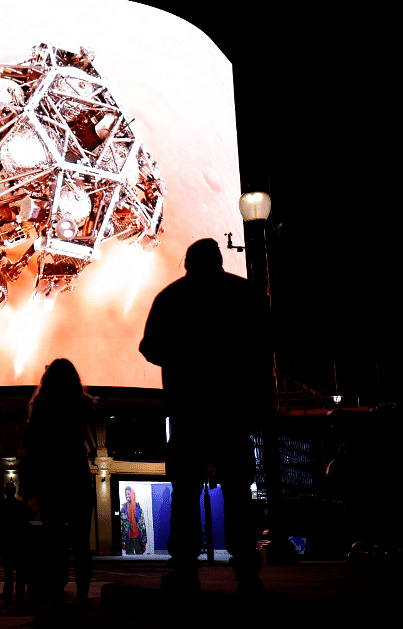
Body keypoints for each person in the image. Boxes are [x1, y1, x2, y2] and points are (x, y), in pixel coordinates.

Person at [139, 238, 270, 594]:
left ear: (187, 263)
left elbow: (149, 347)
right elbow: (264, 345)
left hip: (188, 409)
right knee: (239, 495)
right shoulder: (244, 293)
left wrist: (183, 360)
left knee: (184, 493)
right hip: (232, 409)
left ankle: (185, 571)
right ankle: (247, 571)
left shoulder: (171, 297)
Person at [19, 358, 96, 603]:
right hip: (77, 475)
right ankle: (83, 595)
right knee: (82, 544)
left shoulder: (43, 405)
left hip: (51, 478)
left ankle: (56, 590)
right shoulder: (84, 405)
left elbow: (28, 442)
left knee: (55, 540)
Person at [0, 482, 29, 600]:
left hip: (7, 540)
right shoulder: (20, 505)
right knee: (19, 568)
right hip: (18, 540)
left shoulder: (1, 505)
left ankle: (8, 591)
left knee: (8, 568)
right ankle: (19, 591)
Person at [119, 486, 148, 555]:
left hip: (138, 538)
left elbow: (142, 525)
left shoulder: (138, 508)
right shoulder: (123, 509)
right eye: (126, 494)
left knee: (139, 558)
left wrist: (144, 543)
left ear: (132, 494)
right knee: (129, 559)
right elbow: (121, 526)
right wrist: (122, 541)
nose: (127, 496)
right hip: (128, 539)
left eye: (128, 494)